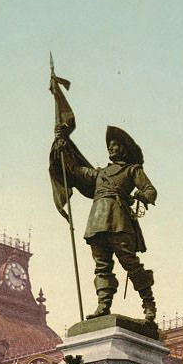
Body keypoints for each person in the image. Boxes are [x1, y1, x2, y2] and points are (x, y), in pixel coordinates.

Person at [53, 125, 158, 323]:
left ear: (124, 150)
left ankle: (148, 302)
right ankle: (103, 304)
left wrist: (143, 196)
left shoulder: (132, 170)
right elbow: (75, 171)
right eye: (109, 145)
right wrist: (63, 143)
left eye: (115, 145)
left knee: (130, 262)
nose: (111, 148)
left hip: (119, 220)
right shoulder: (99, 173)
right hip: (96, 222)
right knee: (101, 266)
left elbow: (150, 189)